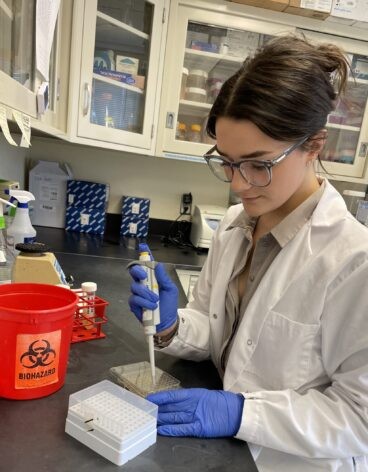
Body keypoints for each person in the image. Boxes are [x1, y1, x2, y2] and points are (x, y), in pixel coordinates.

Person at [129, 35, 368, 471]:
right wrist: (172, 325)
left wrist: (242, 412)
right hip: (223, 455)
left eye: (260, 164)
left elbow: (359, 417)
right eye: (227, 161)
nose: (238, 184)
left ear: (314, 145)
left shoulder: (354, 261)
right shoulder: (236, 226)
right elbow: (223, 333)